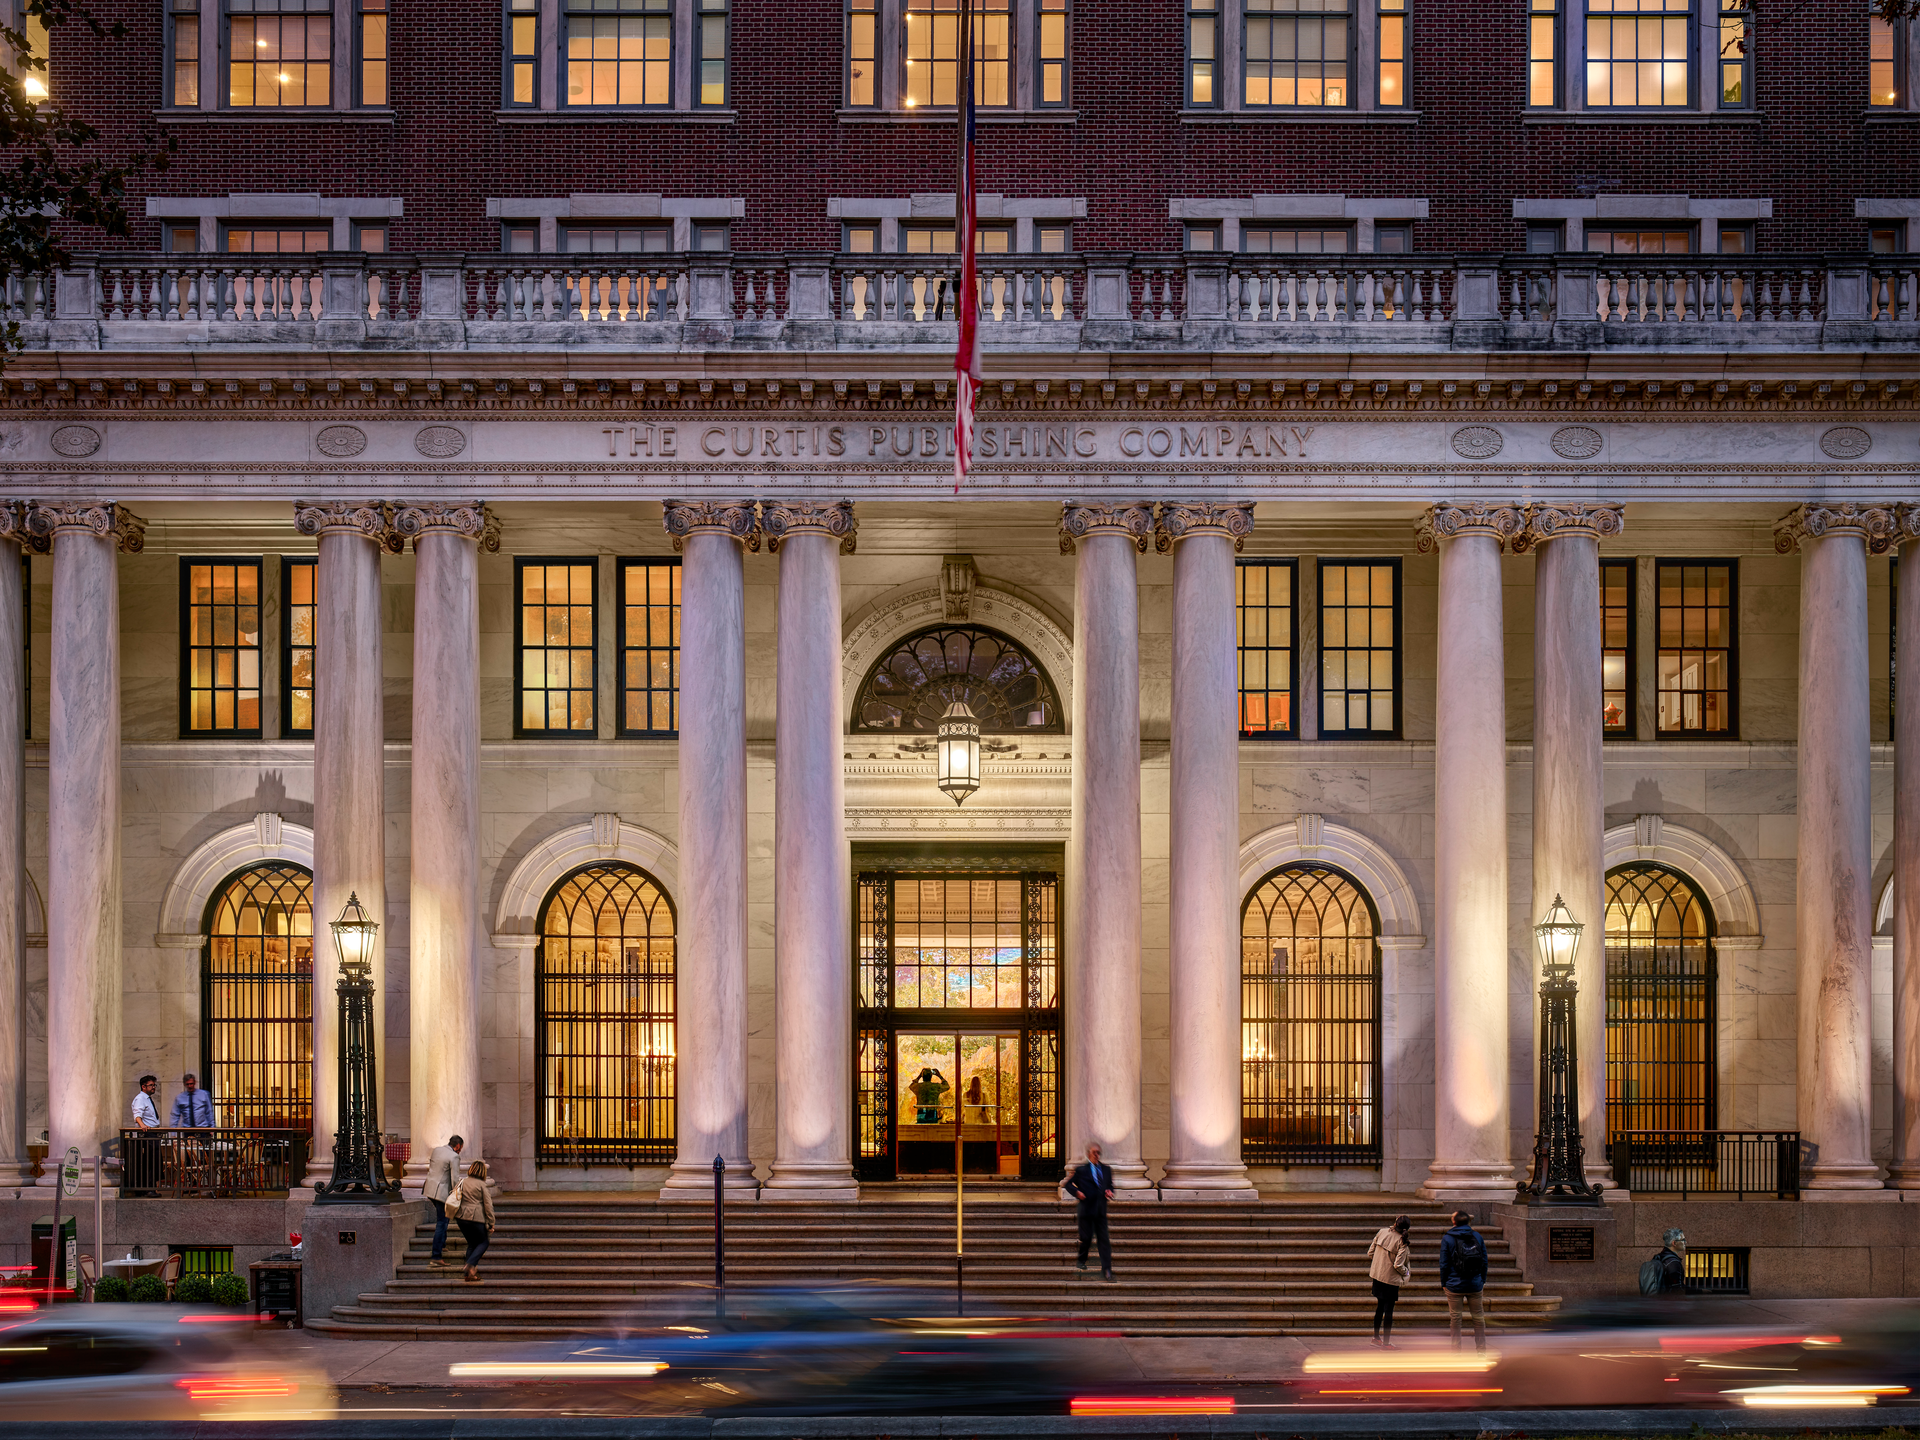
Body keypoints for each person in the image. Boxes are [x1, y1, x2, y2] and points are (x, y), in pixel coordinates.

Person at [1061, 1142, 1116, 1282]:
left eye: (1098, 1153)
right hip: (1086, 1210)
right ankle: (1081, 1260)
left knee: (1104, 1241)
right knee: (1086, 1238)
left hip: (1100, 1211)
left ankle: (1107, 1270)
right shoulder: (1081, 1170)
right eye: (1094, 1152)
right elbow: (1067, 1184)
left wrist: (1109, 1191)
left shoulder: (1106, 1170)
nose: (1097, 1155)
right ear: (1088, 1154)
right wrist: (1077, 1193)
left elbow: (1109, 1186)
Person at [1438, 1209, 1490, 1353]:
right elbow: (1484, 1260)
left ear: (1454, 1222)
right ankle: (1481, 1351)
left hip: (1454, 1285)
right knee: (1478, 1318)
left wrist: (1444, 1283)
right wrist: (1482, 1280)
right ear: (1468, 1221)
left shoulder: (1447, 1238)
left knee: (1455, 1319)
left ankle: (1456, 1352)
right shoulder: (1477, 1236)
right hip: (1475, 1284)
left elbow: (1444, 1263)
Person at [1366, 1214, 1413, 1347]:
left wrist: (1380, 1263)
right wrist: (1407, 1272)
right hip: (1390, 1280)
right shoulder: (1402, 1241)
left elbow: (1370, 1253)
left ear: (1395, 1223)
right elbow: (1398, 1265)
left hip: (1378, 1276)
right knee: (1389, 1311)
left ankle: (1376, 1338)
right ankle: (1386, 1344)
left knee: (1379, 1307)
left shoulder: (1382, 1232)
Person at [446, 1160, 495, 1284]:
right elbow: (488, 1205)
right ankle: (470, 1264)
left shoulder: (462, 1181)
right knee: (484, 1242)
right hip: (476, 1217)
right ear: (483, 1172)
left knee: (472, 1244)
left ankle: (469, 1275)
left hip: (461, 1217)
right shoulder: (481, 1185)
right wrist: (491, 1222)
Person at [423, 1135, 465, 1269]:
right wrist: (457, 1195)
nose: (460, 1151)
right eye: (460, 1148)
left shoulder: (437, 1150)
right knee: (442, 1222)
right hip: (441, 1193)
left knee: (444, 1218)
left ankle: (442, 1244)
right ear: (458, 1146)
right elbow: (455, 1179)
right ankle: (436, 1256)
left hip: (429, 1189)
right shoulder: (454, 1156)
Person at [127, 1076, 161, 1196]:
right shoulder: (140, 1098)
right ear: (143, 1086)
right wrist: (142, 1125)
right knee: (150, 1161)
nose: (153, 1087)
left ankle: (152, 1188)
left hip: (153, 1133)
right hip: (147, 1133)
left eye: (154, 1085)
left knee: (154, 1161)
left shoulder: (147, 1099)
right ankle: (149, 1189)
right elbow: (137, 1114)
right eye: (151, 1085)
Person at [1641, 1227, 1688, 1297]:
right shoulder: (1673, 1262)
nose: (1685, 1242)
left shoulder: (1659, 1257)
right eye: (1683, 1240)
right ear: (1674, 1243)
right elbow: (1677, 1289)